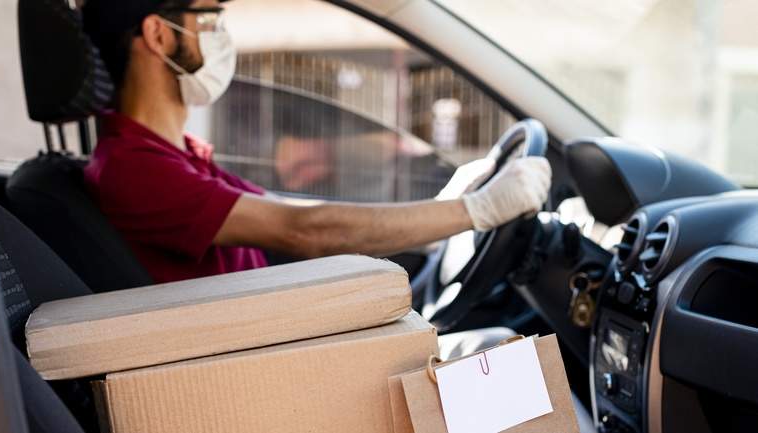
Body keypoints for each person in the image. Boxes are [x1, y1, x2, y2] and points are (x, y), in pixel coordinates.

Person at [81, 0, 552, 284]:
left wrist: (444, 208)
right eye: (209, 19)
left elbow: (288, 211)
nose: (221, 36)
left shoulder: (172, 153)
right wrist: (475, 211)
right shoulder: (134, 168)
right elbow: (307, 231)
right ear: (159, 34)